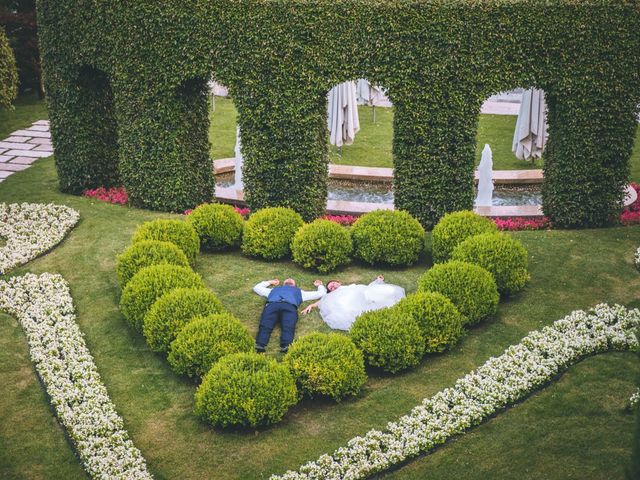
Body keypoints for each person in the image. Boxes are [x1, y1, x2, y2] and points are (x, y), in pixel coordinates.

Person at [302, 275, 405, 331]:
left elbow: (365, 288)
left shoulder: (349, 286)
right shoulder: (331, 295)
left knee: (374, 293)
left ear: (338, 282)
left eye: (333, 284)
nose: (333, 287)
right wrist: (311, 305)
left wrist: (377, 281)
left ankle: (379, 297)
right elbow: (322, 301)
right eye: (331, 288)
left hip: (360, 294)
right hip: (349, 302)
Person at [253, 278, 326, 353]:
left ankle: (286, 346)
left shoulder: (300, 292)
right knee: (265, 324)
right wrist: (270, 282)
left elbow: (321, 293)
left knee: (289, 326)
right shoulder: (273, 290)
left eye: (292, 280)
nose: (289, 279)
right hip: (272, 305)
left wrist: (319, 285)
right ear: (283, 284)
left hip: (289, 308)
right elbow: (256, 288)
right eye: (287, 279)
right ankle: (260, 344)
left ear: (295, 285)